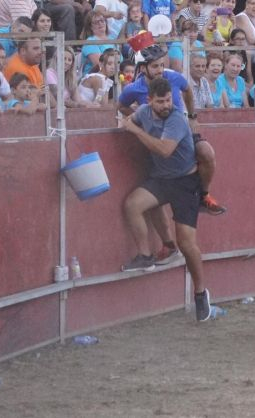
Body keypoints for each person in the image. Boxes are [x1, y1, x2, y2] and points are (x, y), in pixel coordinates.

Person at [120, 77, 218, 322]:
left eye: (168, 100)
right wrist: (129, 122)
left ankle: (200, 292)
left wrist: (134, 129)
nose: (166, 105)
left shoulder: (176, 118)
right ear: (149, 100)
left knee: (188, 244)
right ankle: (145, 255)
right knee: (133, 204)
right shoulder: (143, 112)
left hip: (185, 182)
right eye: (161, 101)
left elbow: (164, 150)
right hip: (162, 179)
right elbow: (125, 117)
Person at [118, 45, 226, 265]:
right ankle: (163, 248)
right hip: (161, 147)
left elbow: (187, 90)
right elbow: (121, 105)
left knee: (206, 151)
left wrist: (193, 116)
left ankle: (204, 195)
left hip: (180, 135)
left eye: (162, 65)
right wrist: (143, 120)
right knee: (153, 197)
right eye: (155, 66)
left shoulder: (173, 78)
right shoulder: (134, 90)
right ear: (143, 68)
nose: (160, 70)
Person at [80, 11, 117, 76]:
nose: (100, 23)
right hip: (95, 79)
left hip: (114, 75)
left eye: (102, 20)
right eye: (96, 22)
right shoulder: (90, 42)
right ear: (90, 27)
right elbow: (100, 64)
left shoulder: (112, 39)